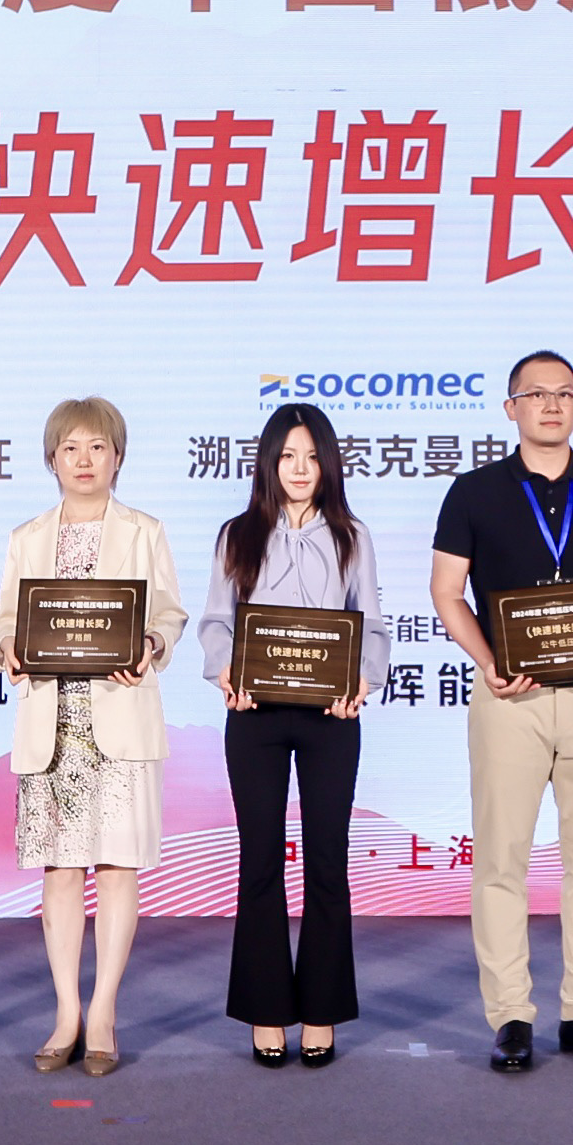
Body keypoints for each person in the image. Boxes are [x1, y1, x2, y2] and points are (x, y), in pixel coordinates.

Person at [428, 350, 573, 1073]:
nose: (551, 405)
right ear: (511, 408)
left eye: (564, 393)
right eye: (536, 393)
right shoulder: (473, 491)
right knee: (501, 859)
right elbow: (446, 592)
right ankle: (510, 1017)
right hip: (511, 699)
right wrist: (489, 661)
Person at [0, 398, 184, 1075]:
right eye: (71, 448)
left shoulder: (144, 531)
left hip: (121, 717)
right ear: (51, 459)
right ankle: (66, 1013)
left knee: (118, 866)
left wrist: (151, 643)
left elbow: (168, 613)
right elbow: (5, 620)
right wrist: (9, 647)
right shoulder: (27, 536)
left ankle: (103, 1012)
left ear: (118, 458)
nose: (84, 460)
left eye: (98, 447)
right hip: (53, 721)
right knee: (61, 869)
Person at [197, 402, 379, 1068]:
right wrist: (227, 671)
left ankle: (322, 1011)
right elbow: (217, 622)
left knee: (329, 861)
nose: (299, 469)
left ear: (327, 464)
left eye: (311, 457)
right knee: (260, 860)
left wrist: (361, 679)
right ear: (268, 464)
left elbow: (371, 623)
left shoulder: (352, 536)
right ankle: (266, 1010)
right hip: (255, 716)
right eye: (287, 457)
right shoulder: (237, 535)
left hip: (331, 717)